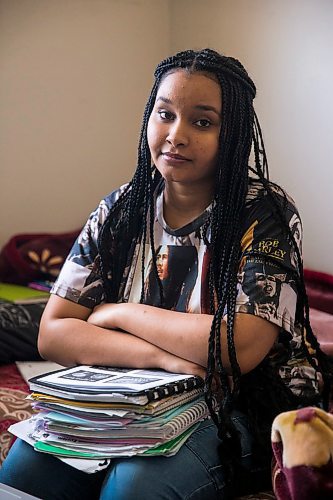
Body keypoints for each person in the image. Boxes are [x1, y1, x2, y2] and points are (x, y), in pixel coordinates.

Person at [0, 48, 331, 500]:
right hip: (139, 392)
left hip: (240, 400)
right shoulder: (120, 209)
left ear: (232, 135)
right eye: (165, 114)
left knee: (131, 488)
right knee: (23, 469)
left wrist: (119, 312)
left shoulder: (265, 211)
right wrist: (167, 360)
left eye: (202, 121)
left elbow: (238, 347)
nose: (176, 135)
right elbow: (53, 333)